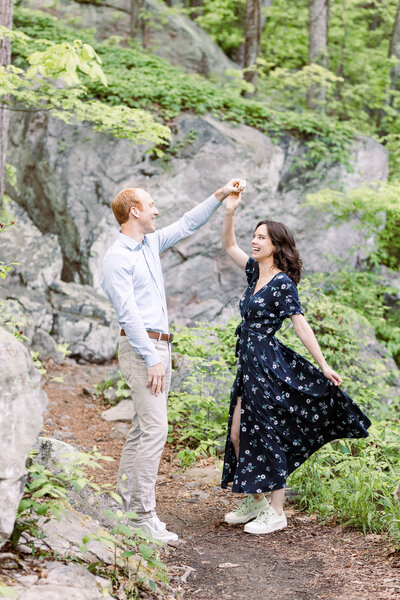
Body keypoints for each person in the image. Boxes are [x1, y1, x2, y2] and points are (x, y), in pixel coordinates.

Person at [101, 179, 245, 543]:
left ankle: (124, 506)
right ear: (134, 210)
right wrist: (151, 359)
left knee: (141, 428)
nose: (156, 210)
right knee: (155, 429)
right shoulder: (117, 258)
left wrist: (218, 194)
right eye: (151, 204)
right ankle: (141, 517)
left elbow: (186, 224)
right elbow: (128, 314)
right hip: (142, 349)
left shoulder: (148, 244)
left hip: (156, 348)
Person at [220, 191, 371, 535]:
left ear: (276, 244)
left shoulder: (282, 284)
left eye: (261, 237)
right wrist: (230, 212)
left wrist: (323, 365)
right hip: (248, 366)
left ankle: (277, 510)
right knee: (237, 433)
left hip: (268, 366)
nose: (254, 241)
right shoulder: (254, 272)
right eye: (254, 236)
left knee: (268, 433)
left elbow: (299, 324)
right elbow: (229, 245)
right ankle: (255, 501)